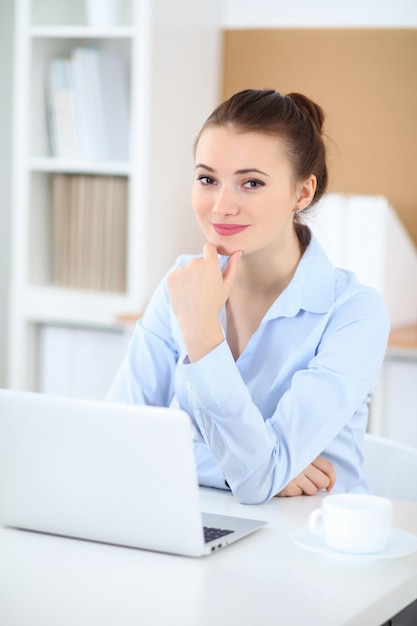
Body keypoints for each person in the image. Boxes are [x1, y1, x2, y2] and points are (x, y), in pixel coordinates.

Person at [106, 88, 390, 505]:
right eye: (207, 179)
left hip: (317, 544)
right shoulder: (182, 282)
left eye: (251, 183)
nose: (221, 206)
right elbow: (116, 434)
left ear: (302, 193)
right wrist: (244, 468)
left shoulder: (354, 313)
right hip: (204, 523)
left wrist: (203, 332)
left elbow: (259, 480)